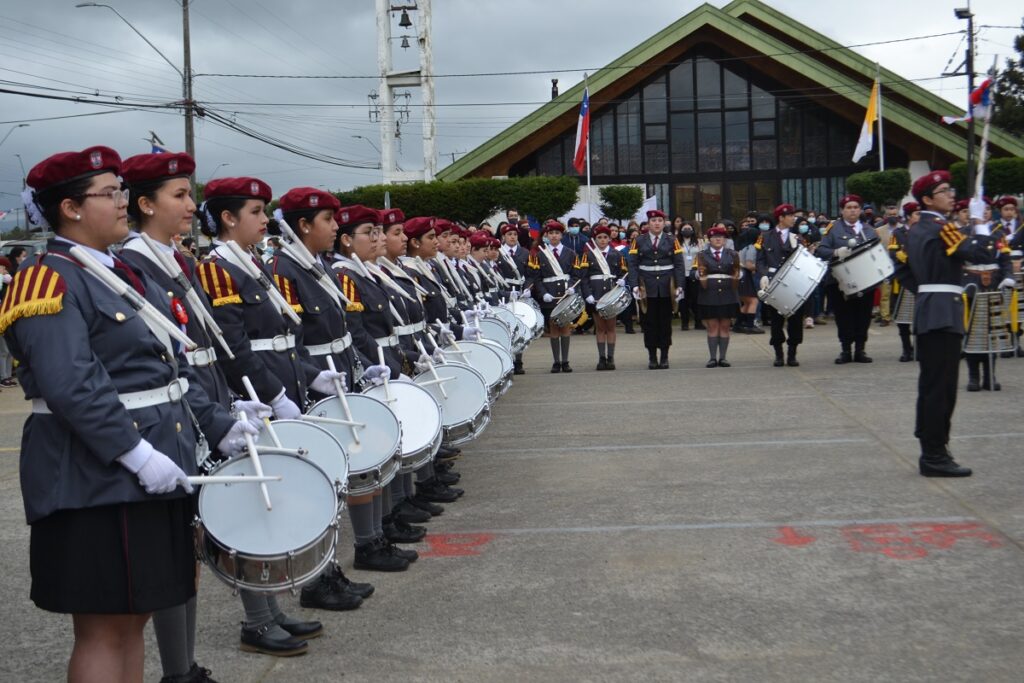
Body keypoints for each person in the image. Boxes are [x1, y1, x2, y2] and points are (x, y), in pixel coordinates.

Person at [4, 146, 243, 681]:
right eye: (108, 193)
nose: (121, 202)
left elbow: (170, 371)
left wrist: (222, 426)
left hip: (147, 471)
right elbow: (71, 385)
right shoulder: (48, 277)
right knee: (103, 628)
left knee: (131, 622)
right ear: (69, 208)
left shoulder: (123, 275)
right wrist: (133, 453)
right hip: (94, 479)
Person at [195, 176, 330, 656]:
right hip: (253, 395)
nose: (264, 219)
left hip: (277, 383)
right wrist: (273, 396)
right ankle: (256, 620)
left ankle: (271, 610)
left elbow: (282, 335)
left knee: (274, 496)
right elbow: (234, 346)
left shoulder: (251, 264)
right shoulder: (217, 269)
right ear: (229, 218)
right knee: (256, 506)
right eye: (255, 210)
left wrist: (307, 380)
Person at [898, 171, 1001, 476]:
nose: (951, 194)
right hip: (942, 313)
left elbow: (902, 269)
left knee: (933, 386)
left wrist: (926, 290)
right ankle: (934, 455)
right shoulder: (938, 226)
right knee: (940, 389)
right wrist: (980, 225)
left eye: (951, 189)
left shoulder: (918, 227)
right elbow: (979, 253)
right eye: (944, 190)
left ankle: (933, 449)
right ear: (928, 199)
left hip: (933, 310)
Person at [816, 194, 878, 364]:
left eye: (855, 207)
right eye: (849, 207)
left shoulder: (869, 230)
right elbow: (821, 250)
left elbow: (878, 253)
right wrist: (835, 252)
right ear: (842, 210)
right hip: (839, 281)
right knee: (844, 316)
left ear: (860, 210)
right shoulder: (833, 229)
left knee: (863, 316)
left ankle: (860, 350)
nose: (852, 210)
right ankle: (845, 350)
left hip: (865, 281)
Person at [626, 209, 687, 369]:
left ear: (664, 222)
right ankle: (652, 357)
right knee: (649, 323)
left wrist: (680, 285)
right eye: (653, 221)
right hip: (646, 286)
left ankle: (665, 356)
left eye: (660, 220)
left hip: (667, 286)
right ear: (648, 224)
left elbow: (679, 264)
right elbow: (632, 264)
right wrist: (634, 285)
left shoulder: (672, 239)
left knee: (665, 323)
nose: (657, 223)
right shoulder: (638, 240)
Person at [756, 204, 812, 367]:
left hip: (793, 281)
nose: (793, 219)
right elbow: (760, 259)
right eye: (790, 216)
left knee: (795, 319)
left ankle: (792, 353)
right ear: (781, 217)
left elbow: (804, 260)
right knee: (776, 319)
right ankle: (778, 353)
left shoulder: (798, 237)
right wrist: (764, 274)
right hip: (773, 280)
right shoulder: (765, 236)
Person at [526, 219, 579, 372]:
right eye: (551, 233)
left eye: (557, 233)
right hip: (549, 294)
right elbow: (536, 277)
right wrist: (543, 293)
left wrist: (571, 288)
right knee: (554, 327)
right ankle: (556, 361)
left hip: (565, 293)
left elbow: (576, 275)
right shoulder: (540, 254)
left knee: (566, 327)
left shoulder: (570, 253)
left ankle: (566, 361)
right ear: (547, 236)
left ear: (562, 235)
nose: (554, 236)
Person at [578, 225, 627, 370]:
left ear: (609, 238)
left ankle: (611, 358)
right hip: (596, 294)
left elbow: (622, 273)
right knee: (600, 328)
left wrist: (622, 282)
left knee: (611, 327)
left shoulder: (616, 255)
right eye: (599, 237)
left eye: (605, 237)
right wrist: (587, 295)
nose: (603, 240)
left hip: (611, 294)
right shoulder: (588, 255)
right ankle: (601, 358)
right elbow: (584, 277)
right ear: (594, 239)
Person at [697, 226, 740, 367]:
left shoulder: (733, 254)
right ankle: (712, 358)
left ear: (725, 240)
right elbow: (693, 273)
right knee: (712, 326)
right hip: (709, 294)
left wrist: (739, 275)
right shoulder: (702, 255)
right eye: (715, 237)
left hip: (728, 294)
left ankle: (723, 357)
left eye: (721, 237)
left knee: (725, 326)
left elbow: (738, 271)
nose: (718, 239)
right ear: (709, 239)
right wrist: (699, 274)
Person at [888, 201, 920, 362]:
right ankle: (907, 349)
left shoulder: (924, 231)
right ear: (908, 216)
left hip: (921, 279)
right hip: (904, 280)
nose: (919, 217)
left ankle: (920, 348)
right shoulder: (898, 233)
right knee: (903, 318)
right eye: (916, 214)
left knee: (921, 317)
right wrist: (905, 257)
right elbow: (893, 254)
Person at [677, 222, 703, 330]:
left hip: (694, 273)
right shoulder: (676, 242)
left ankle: (698, 322)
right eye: (684, 228)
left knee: (696, 299)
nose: (687, 230)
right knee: (683, 300)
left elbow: (702, 255)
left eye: (689, 228)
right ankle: (684, 322)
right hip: (681, 274)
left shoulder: (699, 242)